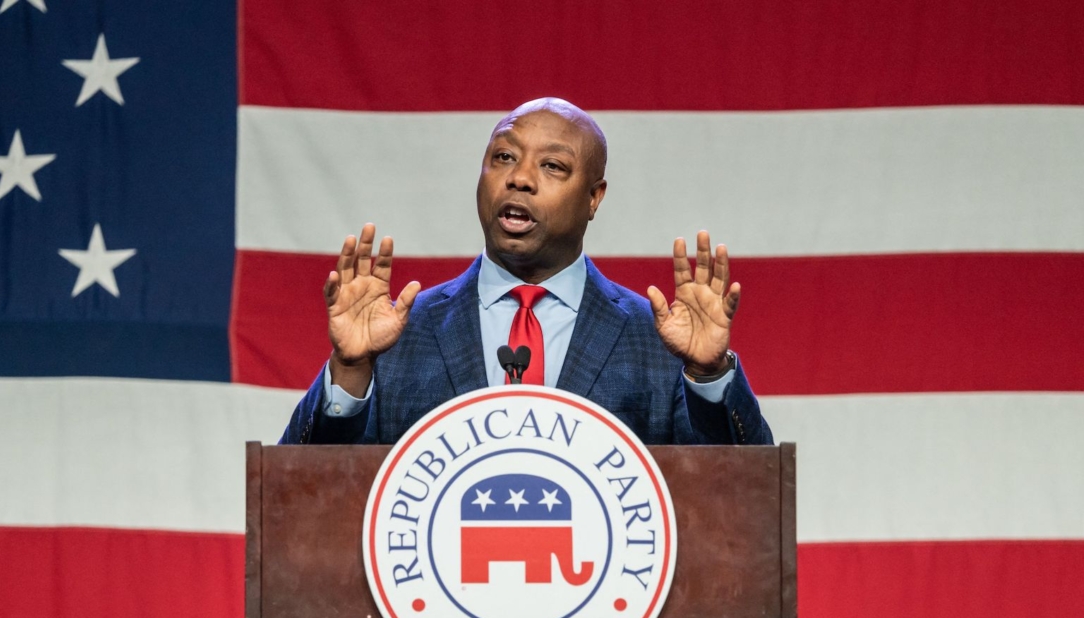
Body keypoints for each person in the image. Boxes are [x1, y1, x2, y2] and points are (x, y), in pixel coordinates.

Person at [281, 98, 772, 447]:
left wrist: (708, 375)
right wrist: (349, 370)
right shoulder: (398, 332)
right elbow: (307, 495)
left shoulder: (658, 338)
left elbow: (741, 495)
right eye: (504, 157)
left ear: (594, 197)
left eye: (553, 166)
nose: (519, 177)